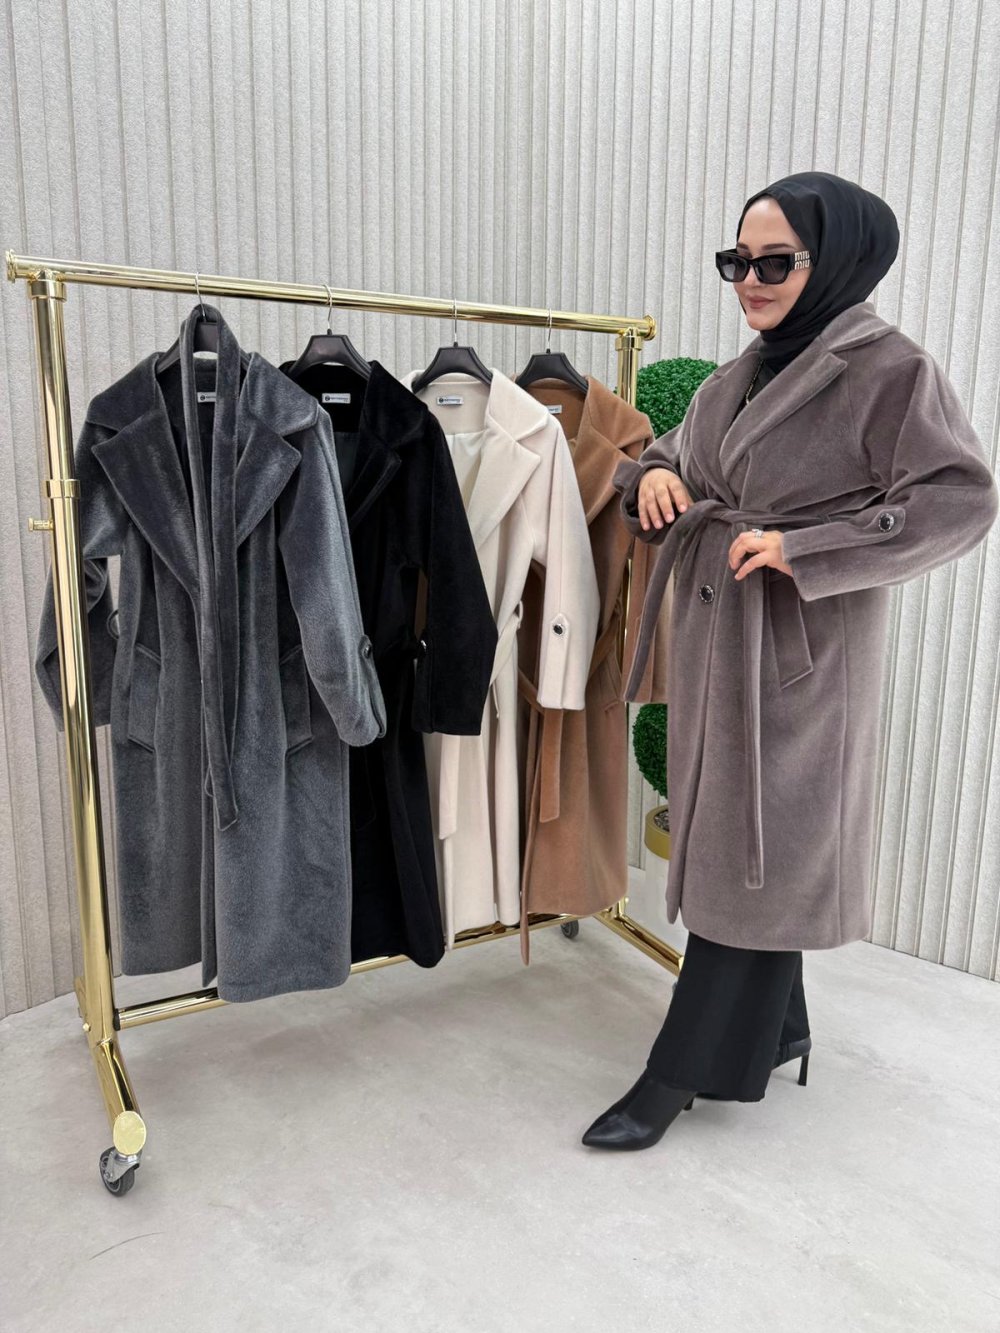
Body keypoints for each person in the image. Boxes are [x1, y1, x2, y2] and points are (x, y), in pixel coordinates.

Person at [583, 171, 999, 1150]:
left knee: (757, 857)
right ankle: (782, 1029)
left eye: (775, 262)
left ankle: (679, 1071)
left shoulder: (889, 372)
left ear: (837, 261)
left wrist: (806, 548)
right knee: (744, 847)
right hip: (717, 646)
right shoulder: (743, 372)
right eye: (737, 260)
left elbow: (958, 498)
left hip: (801, 661)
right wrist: (650, 481)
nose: (749, 281)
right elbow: (671, 457)